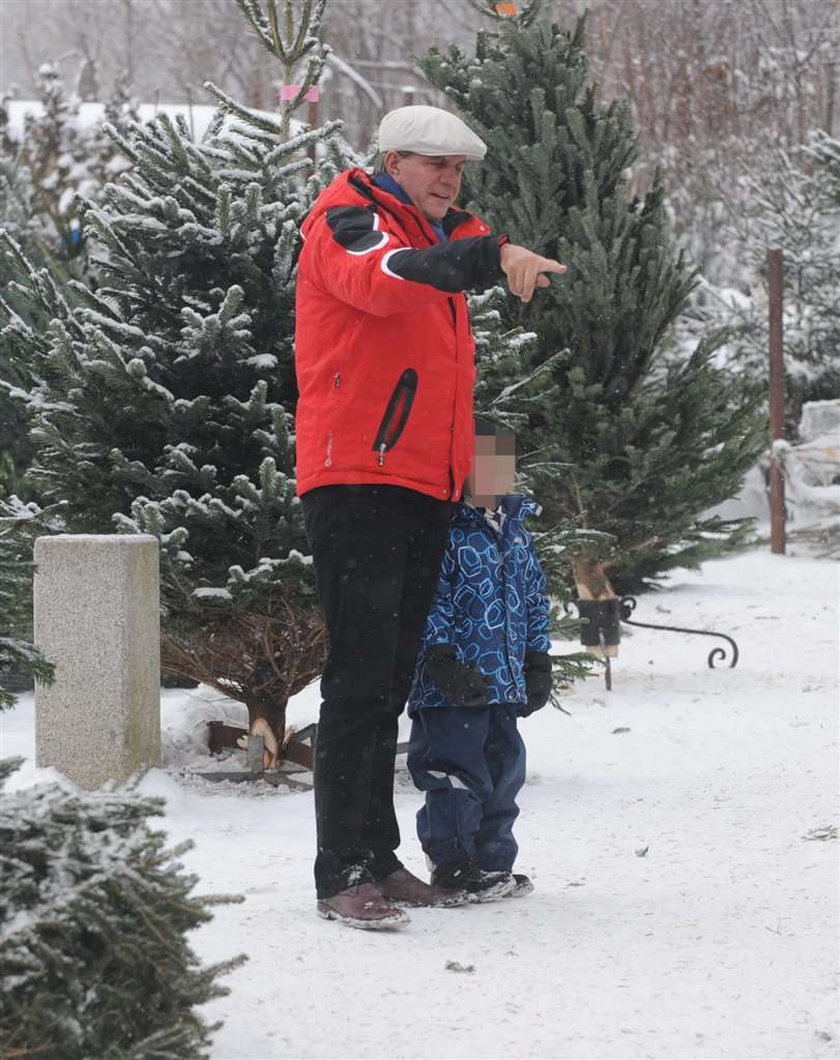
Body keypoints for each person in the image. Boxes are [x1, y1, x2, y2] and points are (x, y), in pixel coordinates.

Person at [294, 105, 565, 930]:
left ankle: (378, 857)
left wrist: (496, 251)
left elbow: (447, 260)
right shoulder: (349, 220)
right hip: (356, 476)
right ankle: (341, 869)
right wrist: (488, 254)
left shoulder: (442, 237)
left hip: (424, 482)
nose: (448, 179)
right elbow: (392, 275)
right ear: (391, 159)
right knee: (358, 681)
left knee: (389, 682)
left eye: (457, 169)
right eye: (431, 164)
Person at [406, 419, 554, 901]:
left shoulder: (516, 533)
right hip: (451, 685)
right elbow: (429, 600)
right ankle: (453, 862)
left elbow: (534, 599)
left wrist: (537, 660)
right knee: (455, 773)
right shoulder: (445, 531)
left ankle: (493, 860)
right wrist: (441, 658)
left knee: (504, 770)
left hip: (503, 683)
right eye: (484, 462)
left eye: (504, 462)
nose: (497, 473)